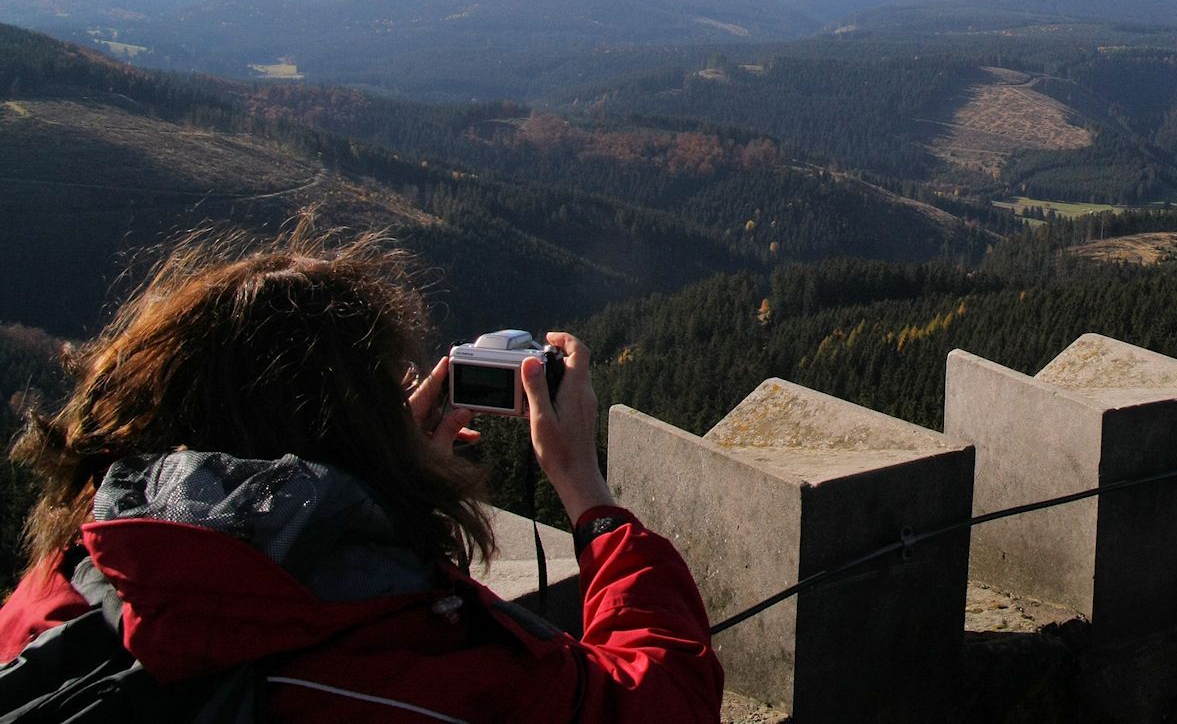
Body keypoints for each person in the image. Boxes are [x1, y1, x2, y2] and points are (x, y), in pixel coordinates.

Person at [0, 225, 724, 722]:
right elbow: (664, 699)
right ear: (345, 430)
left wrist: (374, 487)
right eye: (388, 386)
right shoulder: (413, 665)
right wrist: (587, 492)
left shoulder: (68, 581)